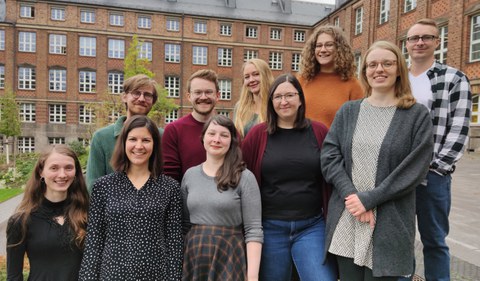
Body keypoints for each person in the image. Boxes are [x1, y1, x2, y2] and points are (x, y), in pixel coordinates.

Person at [320, 41, 434, 280]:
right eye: (372, 64)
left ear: (399, 69)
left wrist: (369, 199)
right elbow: (330, 156)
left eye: (387, 63)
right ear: (365, 72)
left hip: (389, 222)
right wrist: (353, 198)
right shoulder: (349, 111)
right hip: (348, 217)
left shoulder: (416, 115)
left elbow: (415, 168)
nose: (379, 69)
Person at [242, 73, 336, 281]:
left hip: (311, 226)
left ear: (300, 99)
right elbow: (241, 173)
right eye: (278, 97)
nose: (284, 102)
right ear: (271, 101)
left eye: (290, 95)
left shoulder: (319, 131)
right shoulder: (258, 135)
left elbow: (335, 170)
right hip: (270, 226)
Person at [402, 18, 472, 281]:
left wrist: (438, 168)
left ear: (437, 42)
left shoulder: (453, 78)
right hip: (398, 173)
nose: (420, 42)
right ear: (406, 44)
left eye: (426, 37)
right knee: (401, 238)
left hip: (432, 175)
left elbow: (459, 129)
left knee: (434, 240)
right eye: (414, 38)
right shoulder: (398, 78)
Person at [79, 115, 183, 280]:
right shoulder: (103, 186)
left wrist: (174, 277)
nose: (139, 146)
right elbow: (94, 241)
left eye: (146, 140)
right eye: (133, 139)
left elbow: (174, 243)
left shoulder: (169, 188)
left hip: (156, 275)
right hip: (112, 275)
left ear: (155, 145)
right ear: (123, 143)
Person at [181, 115, 263, 281]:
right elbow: (184, 225)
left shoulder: (244, 177)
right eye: (211, 134)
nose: (216, 140)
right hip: (194, 256)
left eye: (224, 135)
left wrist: (252, 276)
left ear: (232, 141)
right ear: (203, 137)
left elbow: (253, 230)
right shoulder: (190, 175)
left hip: (229, 254)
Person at [7, 145, 89, 280]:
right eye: (54, 168)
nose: (62, 174)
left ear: (76, 172)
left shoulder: (88, 215)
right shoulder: (20, 221)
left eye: (68, 167)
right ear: (41, 172)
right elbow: (13, 277)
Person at [86, 74, 160, 192]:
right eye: (136, 93)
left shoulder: (162, 136)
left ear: (153, 101)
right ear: (124, 97)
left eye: (147, 95)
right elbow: (93, 184)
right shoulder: (102, 137)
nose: (141, 99)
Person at [298, 25, 363, 128]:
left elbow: (358, 124)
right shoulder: (302, 80)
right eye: (318, 45)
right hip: (303, 142)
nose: (323, 50)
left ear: (339, 48)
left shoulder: (353, 85)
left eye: (329, 45)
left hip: (334, 144)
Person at [162, 69, 220, 182]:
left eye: (208, 92)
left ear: (217, 95)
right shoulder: (174, 130)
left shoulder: (228, 131)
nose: (203, 97)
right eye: (198, 92)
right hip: (185, 198)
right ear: (189, 96)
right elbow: (169, 178)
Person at [234, 58, 274, 138]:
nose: (251, 80)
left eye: (256, 74)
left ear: (266, 75)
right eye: (247, 77)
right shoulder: (240, 107)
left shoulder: (276, 105)